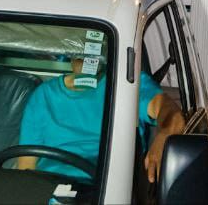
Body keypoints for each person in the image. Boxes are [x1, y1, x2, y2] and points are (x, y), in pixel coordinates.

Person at [16, 59, 184, 183]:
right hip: (47, 190)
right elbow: (25, 170)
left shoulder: (126, 85)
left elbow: (172, 114)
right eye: (80, 43)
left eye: (92, 44)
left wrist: (163, 138)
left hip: (103, 192)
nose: (86, 54)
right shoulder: (44, 95)